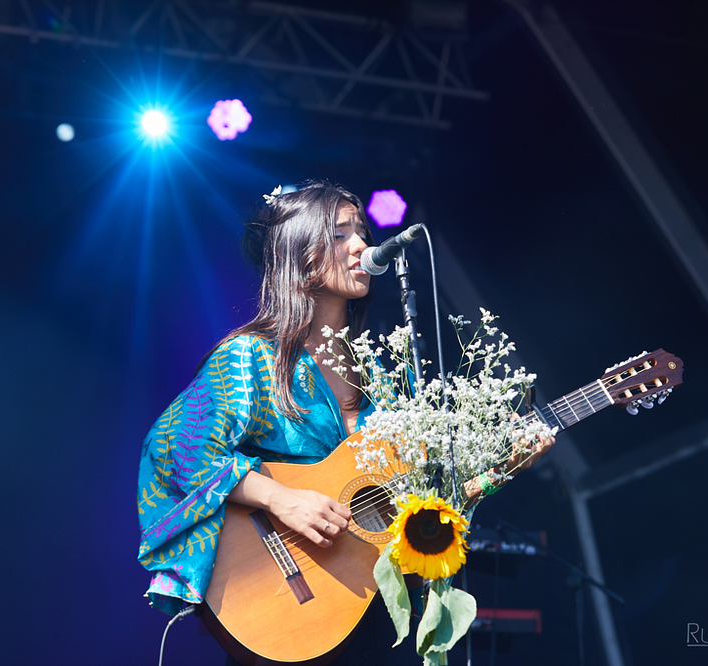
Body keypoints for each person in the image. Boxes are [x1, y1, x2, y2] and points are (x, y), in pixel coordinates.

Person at [136, 181, 554, 665]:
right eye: (340, 235)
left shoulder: (381, 373)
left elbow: (414, 501)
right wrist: (282, 498)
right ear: (299, 255)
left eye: (361, 230)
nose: (362, 245)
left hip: (369, 606)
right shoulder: (253, 357)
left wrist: (495, 471)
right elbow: (175, 447)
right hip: (286, 600)